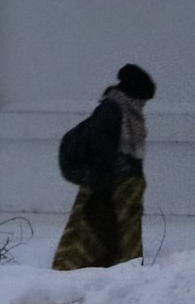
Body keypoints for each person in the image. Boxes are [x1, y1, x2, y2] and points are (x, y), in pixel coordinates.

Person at [52, 63, 154, 271]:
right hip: (108, 188)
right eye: (143, 99)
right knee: (92, 233)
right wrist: (102, 188)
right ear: (135, 94)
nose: (143, 104)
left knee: (109, 234)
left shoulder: (124, 112)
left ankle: (122, 272)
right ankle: (119, 273)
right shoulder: (112, 112)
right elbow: (102, 152)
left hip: (115, 187)